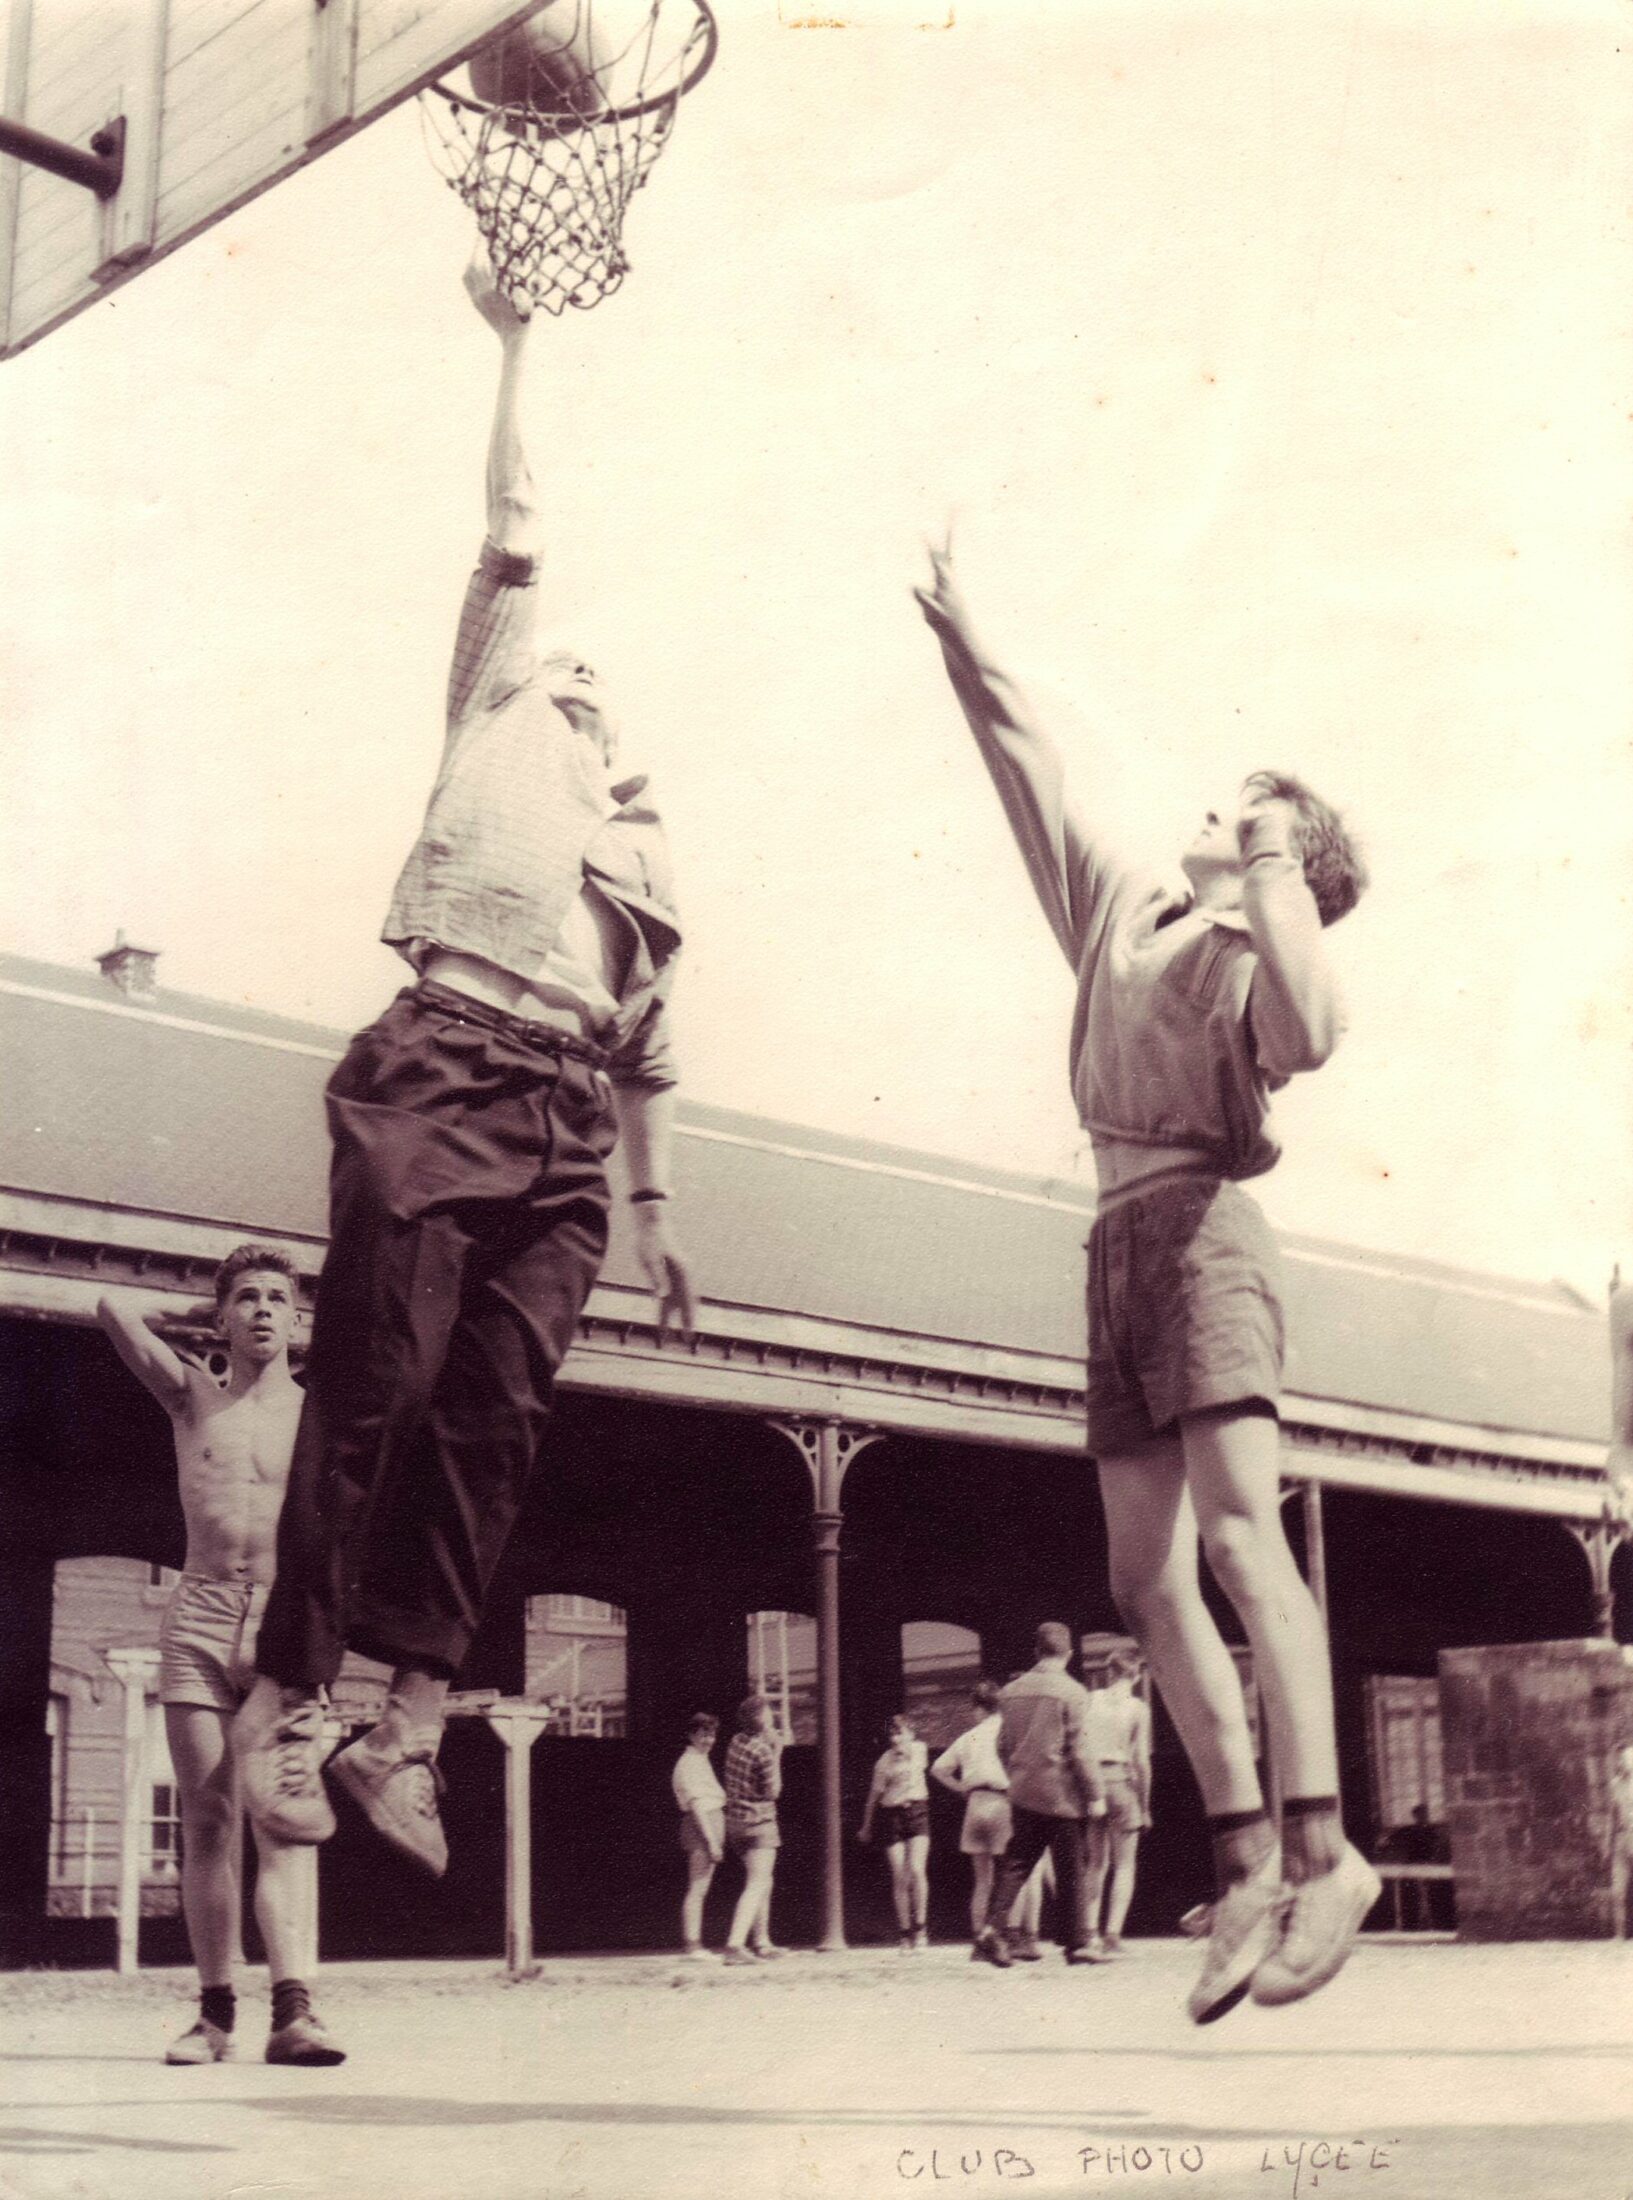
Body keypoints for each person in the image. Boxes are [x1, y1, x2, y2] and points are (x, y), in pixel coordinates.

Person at [231, 248, 696, 1878]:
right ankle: (293, 1704)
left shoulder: (647, 855)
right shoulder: (497, 702)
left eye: (601, 687)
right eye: (571, 667)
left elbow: (651, 1050)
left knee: (495, 1419)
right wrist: (514, 349)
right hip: (441, 1064)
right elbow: (515, 525)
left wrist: (656, 1207)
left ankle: (404, 1728)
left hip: (567, 1124)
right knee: (380, 1386)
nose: (586, 679)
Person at [917, 536, 1379, 2022]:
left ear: (1282, 860)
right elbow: (1029, 768)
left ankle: (1326, 1856)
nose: (1212, 812)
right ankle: (1242, 1863)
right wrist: (962, 632)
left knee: (1243, 1539)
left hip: (1204, 1239)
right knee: (1142, 1577)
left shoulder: (1253, 955)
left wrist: (1273, 855)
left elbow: (1313, 1032)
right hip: (1114, 1247)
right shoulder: (1127, 911)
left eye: (1247, 813)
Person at [96, 1248, 343, 2068]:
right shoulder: (191, 1396)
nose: (263, 1309)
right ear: (224, 1316)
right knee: (207, 1820)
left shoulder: (321, 1411)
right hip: (198, 1617)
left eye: (277, 1298)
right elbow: (111, 1311)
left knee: (281, 1822)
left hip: (285, 1624)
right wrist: (193, 1318)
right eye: (246, 1298)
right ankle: (213, 2016)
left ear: (298, 1319)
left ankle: (295, 2013)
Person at [973, 1623, 1106, 1967]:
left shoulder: (1010, 1692)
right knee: (1071, 1867)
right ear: (1069, 1654)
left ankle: (990, 1930)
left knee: (1016, 1865)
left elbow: (1002, 1745)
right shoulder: (1073, 1692)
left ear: (1036, 1652)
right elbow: (1079, 1749)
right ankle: (1077, 1943)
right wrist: (1095, 1793)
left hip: (1022, 1791)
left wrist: (1017, 1775)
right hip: (1062, 1795)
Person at [1080, 1649, 1152, 1959]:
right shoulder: (1138, 1708)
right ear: (1136, 1676)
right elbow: (1142, 1760)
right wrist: (1145, 1805)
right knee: (1125, 1864)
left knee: (1095, 1863)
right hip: (1121, 1781)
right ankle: (1112, 1935)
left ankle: (1089, 1933)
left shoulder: (1090, 1701)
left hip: (1092, 1784)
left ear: (1109, 1672)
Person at [721, 1695, 786, 1965]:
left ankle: (762, 1942)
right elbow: (774, 1791)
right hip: (759, 1822)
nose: (772, 1715)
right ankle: (735, 1944)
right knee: (758, 1883)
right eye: (768, 1713)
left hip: (734, 1822)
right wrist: (777, 1751)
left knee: (763, 1881)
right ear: (760, 1719)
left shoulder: (735, 1741)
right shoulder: (763, 1752)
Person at [859, 1712, 932, 1951]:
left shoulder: (919, 1750)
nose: (895, 1739)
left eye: (900, 1733)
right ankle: (905, 1932)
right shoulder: (883, 1763)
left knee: (917, 1869)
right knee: (900, 1874)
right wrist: (866, 1826)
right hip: (892, 1815)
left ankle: (921, 1928)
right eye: (892, 1734)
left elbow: (918, 1762)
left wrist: (905, 1752)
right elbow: (874, 1797)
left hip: (917, 1811)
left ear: (911, 1734)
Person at [673, 1712, 725, 1960]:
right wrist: (711, 1840)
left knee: (700, 1887)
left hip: (710, 1824)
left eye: (712, 1734)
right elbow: (696, 1805)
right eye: (703, 1734)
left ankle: (694, 1943)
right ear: (691, 1735)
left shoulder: (700, 1760)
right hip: (702, 1827)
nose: (709, 1740)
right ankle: (692, 1945)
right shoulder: (689, 1763)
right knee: (697, 1888)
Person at [1609, 1742, 1633, 1940]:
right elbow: (1612, 1815)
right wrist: (1607, 1846)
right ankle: (1620, 1933)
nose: (1622, 1762)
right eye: (1619, 1759)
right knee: (1618, 1890)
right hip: (1621, 1839)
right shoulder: (1615, 1784)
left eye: (1624, 1758)